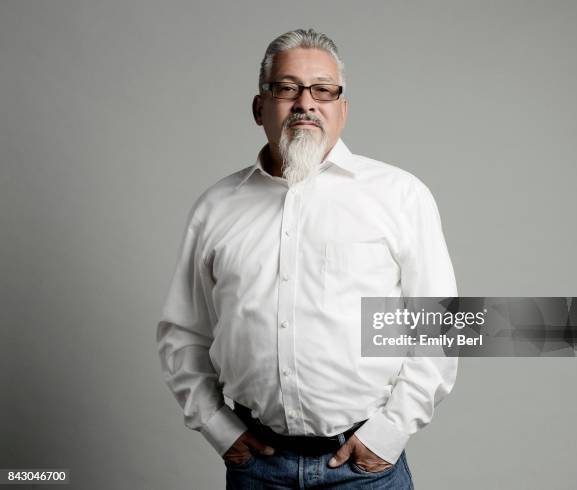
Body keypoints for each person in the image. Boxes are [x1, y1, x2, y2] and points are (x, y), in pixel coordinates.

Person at [157, 28, 457, 489]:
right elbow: (183, 333)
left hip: (364, 471)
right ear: (260, 107)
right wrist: (219, 429)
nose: (305, 103)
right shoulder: (216, 206)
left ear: (342, 109)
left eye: (323, 90)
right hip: (256, 469)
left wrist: (388, 435)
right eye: (287, 88)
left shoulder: (400, 196)